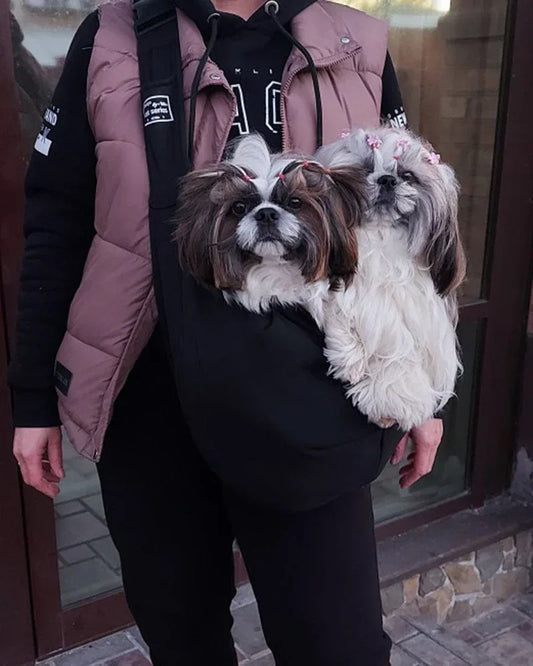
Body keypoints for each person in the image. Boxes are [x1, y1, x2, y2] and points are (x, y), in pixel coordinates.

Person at [9, 0, 444, 664]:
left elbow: (410, 234)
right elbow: (56, 222)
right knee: (182, 638)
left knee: (339, 646)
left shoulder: (355, 41)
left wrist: (426, 387)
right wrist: (34, 396)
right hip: (150, 402)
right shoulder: (114, 36)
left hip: (313, 395)